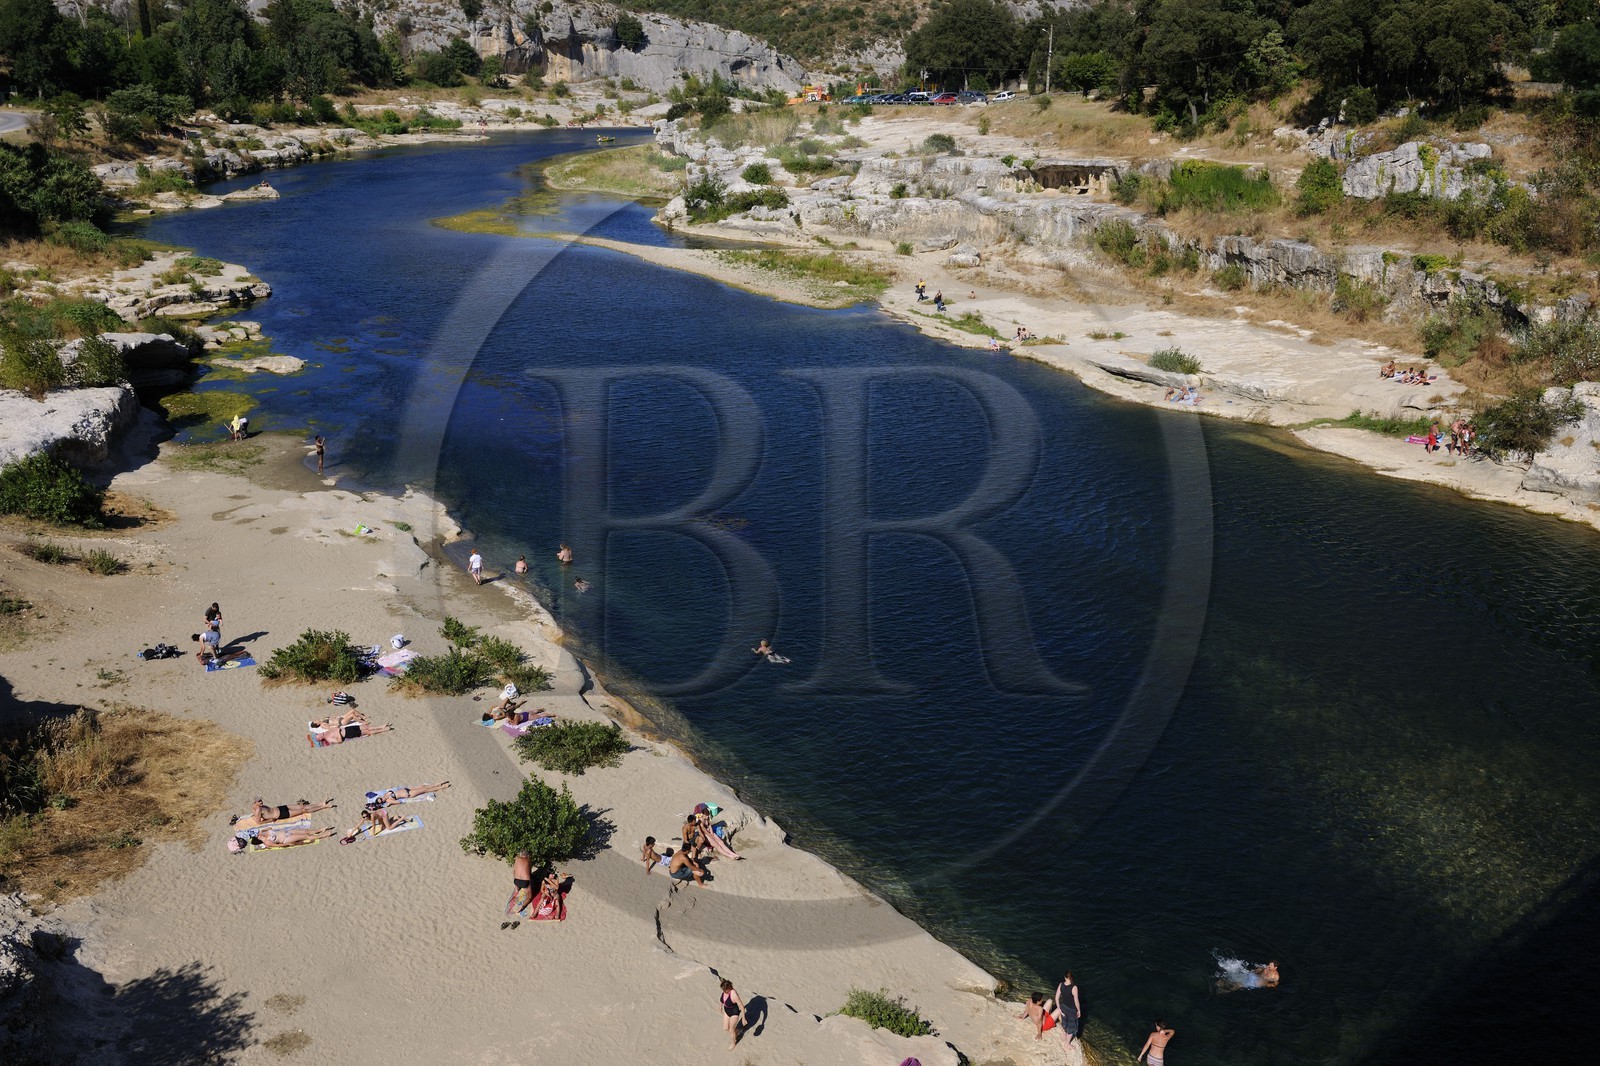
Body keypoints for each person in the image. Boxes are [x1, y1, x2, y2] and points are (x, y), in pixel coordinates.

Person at [230, 797, 335, 829]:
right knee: (304, 811)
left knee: (302, 806)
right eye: (260, 801)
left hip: (281, 807)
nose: (262, 802)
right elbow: (258, 822)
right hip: (280, 815)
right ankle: (323, 807)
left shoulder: (256, 806)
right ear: (255, 803)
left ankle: (320, 803)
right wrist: (271, 820)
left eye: (261, 800)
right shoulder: (258, 810)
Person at [244, 825, 336, 850]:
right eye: (257, 835)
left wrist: (263, 830)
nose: (258, 834)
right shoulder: (267, 842)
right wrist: (288, 844)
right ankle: (323, 835)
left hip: (287, 832)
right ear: (258, 839)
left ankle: (320, 830)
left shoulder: (264, 833)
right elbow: (277, 846)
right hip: (286, 839)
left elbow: (270, 828)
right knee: (306, 836)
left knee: (305, 831)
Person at [1053, 971, 1082, 1048]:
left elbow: (1056, 998)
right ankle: (1067, 1044)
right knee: (1072, 1027)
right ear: (1072, 977)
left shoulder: (1061, 984)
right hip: (1072, 1010)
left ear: (1065, 977)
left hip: (1063, 1007)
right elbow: (1076, 1001)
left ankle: (1064, 1035)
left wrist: (1059, 1008)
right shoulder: (1074, 987)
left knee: (1065, 1022)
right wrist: (1079, 1010)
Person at [505, 851, 534, 924]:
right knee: (529, 897)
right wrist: (529, 884)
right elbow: (529, 874)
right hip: (525, 882)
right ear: (527, 856)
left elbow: (514, 871)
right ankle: (522, 906)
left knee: (518, 882)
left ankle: (517, 888)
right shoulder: (529, 860)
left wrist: (516, 881)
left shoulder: (517, 859)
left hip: (516, 881)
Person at [719, 978, 747, 1051]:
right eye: (723, 990)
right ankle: (738, 1030)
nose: (724, 992)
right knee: (726, 1028)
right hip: (726, 1010)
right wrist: (720, 1006)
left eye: (725, 990)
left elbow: (741, 1006)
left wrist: (743, 1018)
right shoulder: (725, 991)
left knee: (731, 1030)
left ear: (729, 988)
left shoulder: (734, 994)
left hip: (734, 1012)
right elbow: (722, 1000)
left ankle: (733, 1042)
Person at [370, 781, 450, 805]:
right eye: (382, 801)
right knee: (425, 790)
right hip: (409, 794)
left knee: (423, 786)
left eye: (381, 799)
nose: (383, 800)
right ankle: (442, 786)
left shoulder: (385, 794)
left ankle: (438, 783)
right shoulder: (388, 801)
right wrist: (391, 803)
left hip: (407, 789)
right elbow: (398, 801)